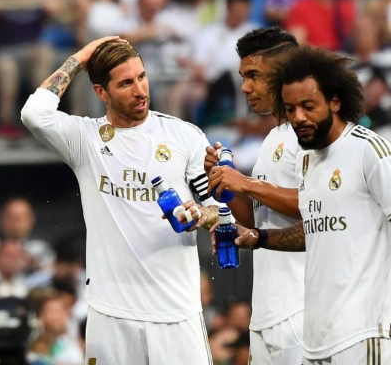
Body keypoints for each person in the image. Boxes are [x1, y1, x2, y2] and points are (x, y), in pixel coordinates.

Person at [21, 36, 222, 364]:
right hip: (110, 311)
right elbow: (34, 114)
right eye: (126, 83)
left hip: (176, 309)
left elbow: (219, 209)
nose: (140, 90)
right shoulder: (84, 138)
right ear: (101, 92)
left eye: (142, 77)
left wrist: (202, 214)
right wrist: (81, 57)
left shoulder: (184, 136)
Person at [232, 45, 391, 364]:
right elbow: (314, 232)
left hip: (362, 333)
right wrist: (261, 238)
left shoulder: (369, 151)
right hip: (315, 339)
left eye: (308, 106)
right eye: (290, 109)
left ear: (334, 101)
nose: (298, 118)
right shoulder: (309, 163)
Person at [204, 27, 305, 364]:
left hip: (302, 308)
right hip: (265, 310)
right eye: (243, 76)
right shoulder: (274, 137)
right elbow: (256, 218)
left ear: (284, 72)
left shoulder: (309, 136)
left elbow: (321, 210)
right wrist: (222, 184)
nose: (245, 87)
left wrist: (246, 183)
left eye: (254, 75)